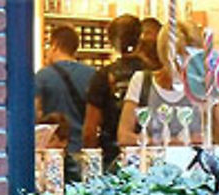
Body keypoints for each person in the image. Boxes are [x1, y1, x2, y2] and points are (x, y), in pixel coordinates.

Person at [116, 21, 219, 148]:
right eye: (178, 59)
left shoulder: (202, 86)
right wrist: (171, 142)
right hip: (152, 164)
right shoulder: (141, 81)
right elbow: (124, 136)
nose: (184, 66)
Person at [82, 15, 143, 170]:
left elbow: (91, 128)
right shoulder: (151, 74)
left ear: (111, 41)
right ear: (140, 37)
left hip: (112, 154)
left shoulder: (103, 76)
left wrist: (91, 166)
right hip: (145, 150)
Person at [35, 25, 95, 180]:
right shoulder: (93, 75)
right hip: (84, 151)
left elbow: (35, 114)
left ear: (54, 46)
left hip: (55, 152)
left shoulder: (42, 77)